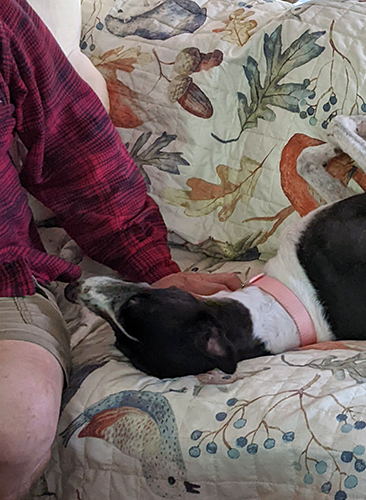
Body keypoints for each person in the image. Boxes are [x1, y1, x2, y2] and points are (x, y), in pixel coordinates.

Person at [0, 0, 241, 497]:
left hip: (5, 283)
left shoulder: (5, 19)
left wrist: (155, 270)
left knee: (15, 426)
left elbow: (78, 156)